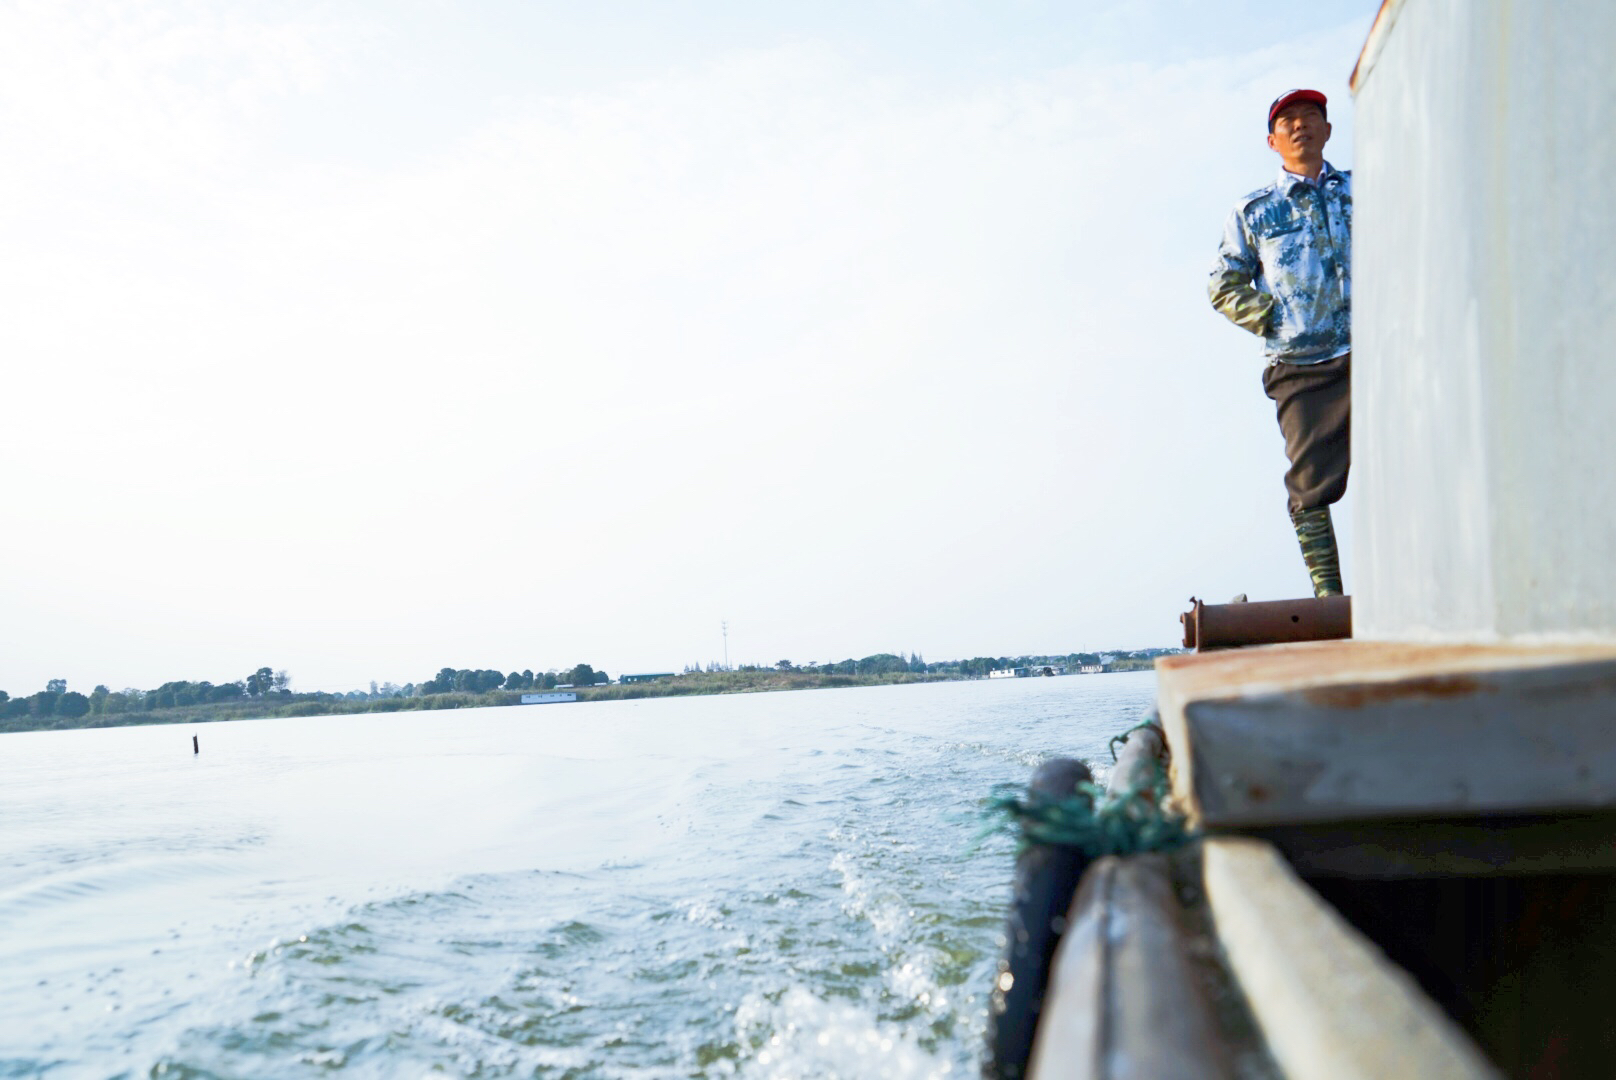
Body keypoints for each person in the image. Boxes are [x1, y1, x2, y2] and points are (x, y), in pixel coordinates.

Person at [1208, 88, 1351, 597]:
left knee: (1415, 456)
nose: (1300, 126)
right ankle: (1329, 596)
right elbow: (1222, 286)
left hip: (1379, 353)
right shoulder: (1255, 211)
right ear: (1273, 141)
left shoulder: (1366, 191)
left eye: (1311, 116)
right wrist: (1276, 319)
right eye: (1288, 121)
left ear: (1328, 130)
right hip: (1301, 363)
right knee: (1310, 486)